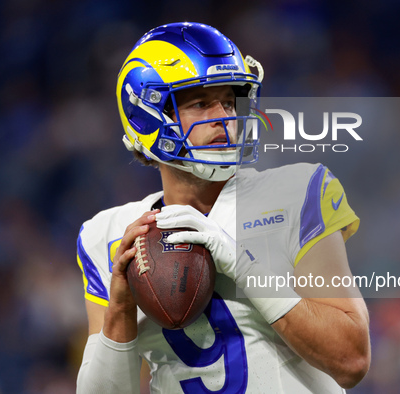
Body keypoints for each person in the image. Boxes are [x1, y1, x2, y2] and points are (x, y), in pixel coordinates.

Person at [76, 22, 370, 393]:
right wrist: (119, 309)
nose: (224, 118)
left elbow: (352, 360)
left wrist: (242, 265)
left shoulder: (299, 192)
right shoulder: (108, 235)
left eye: (229, 101)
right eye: (200, 103)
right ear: (148, 114)